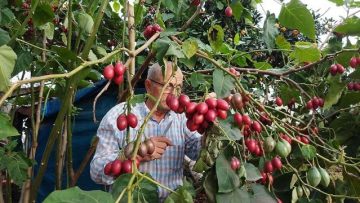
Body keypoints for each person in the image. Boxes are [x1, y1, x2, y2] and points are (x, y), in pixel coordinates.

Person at [90, 61, 202, 202]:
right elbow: (96, 172)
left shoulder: (181, 118)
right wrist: (131, 153)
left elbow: (197, 152)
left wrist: (209, 133)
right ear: (148, 86)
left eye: (178, 87)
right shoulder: (119, 115)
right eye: (167, 86)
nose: (173, 94)